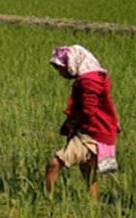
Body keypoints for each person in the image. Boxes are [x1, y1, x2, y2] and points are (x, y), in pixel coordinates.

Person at [43, 45, 120, 201]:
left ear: (71, 63)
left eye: (60, 69)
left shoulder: (88, 81)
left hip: (92, 132)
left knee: (54, 163)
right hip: (100, 130)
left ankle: (46, 199)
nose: (60, 74)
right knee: (87, 170)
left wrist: (70, 123)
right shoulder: (96, 77)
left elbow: (88, 110)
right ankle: (93, 206)